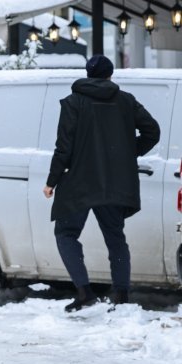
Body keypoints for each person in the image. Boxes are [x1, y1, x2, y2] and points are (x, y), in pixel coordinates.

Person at [43, 55, 160, 312]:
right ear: (110, 75)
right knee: (116, 238)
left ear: (88, 74)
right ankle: (121, 295)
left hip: (79, 182)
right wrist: (128, 152)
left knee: (66, 233)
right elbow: (153, 131)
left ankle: (85, 292)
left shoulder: (73, 102)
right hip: (115, 181)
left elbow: (64, 147)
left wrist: (52, 180)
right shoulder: (126, 101)